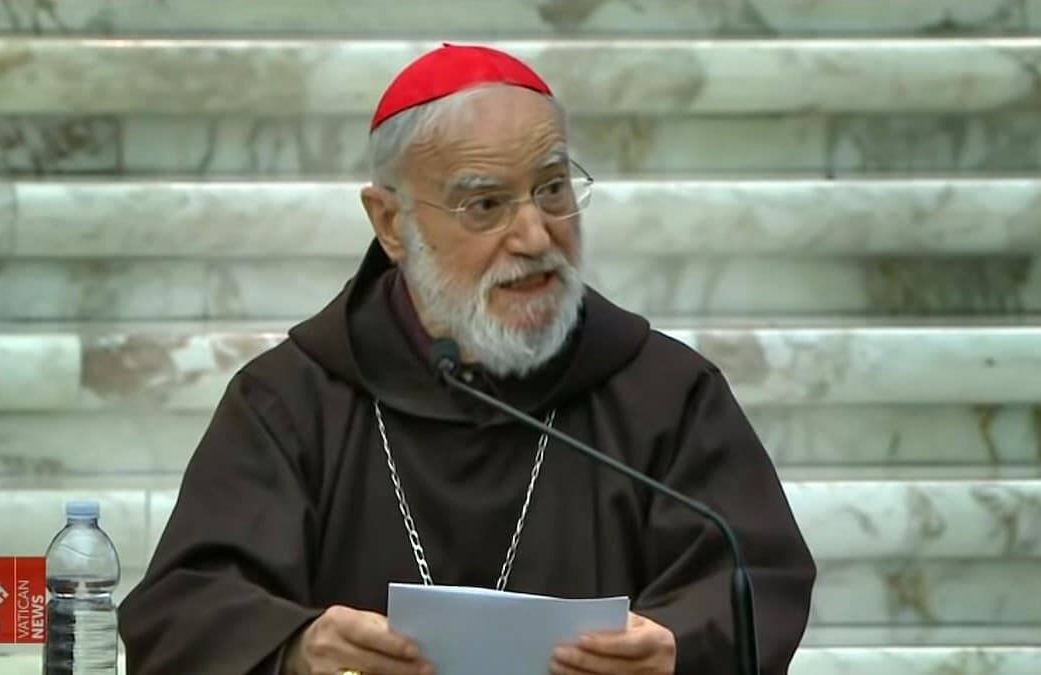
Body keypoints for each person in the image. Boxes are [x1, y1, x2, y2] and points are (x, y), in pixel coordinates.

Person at [119, 44, 815, 675]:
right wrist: (296, 646)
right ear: (392, 223)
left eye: (552, 188)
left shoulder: (665, 393)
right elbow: (184, 605)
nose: (535, 234)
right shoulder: (290, 401)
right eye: (486, 203)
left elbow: (753, 576)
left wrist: (675, 646)